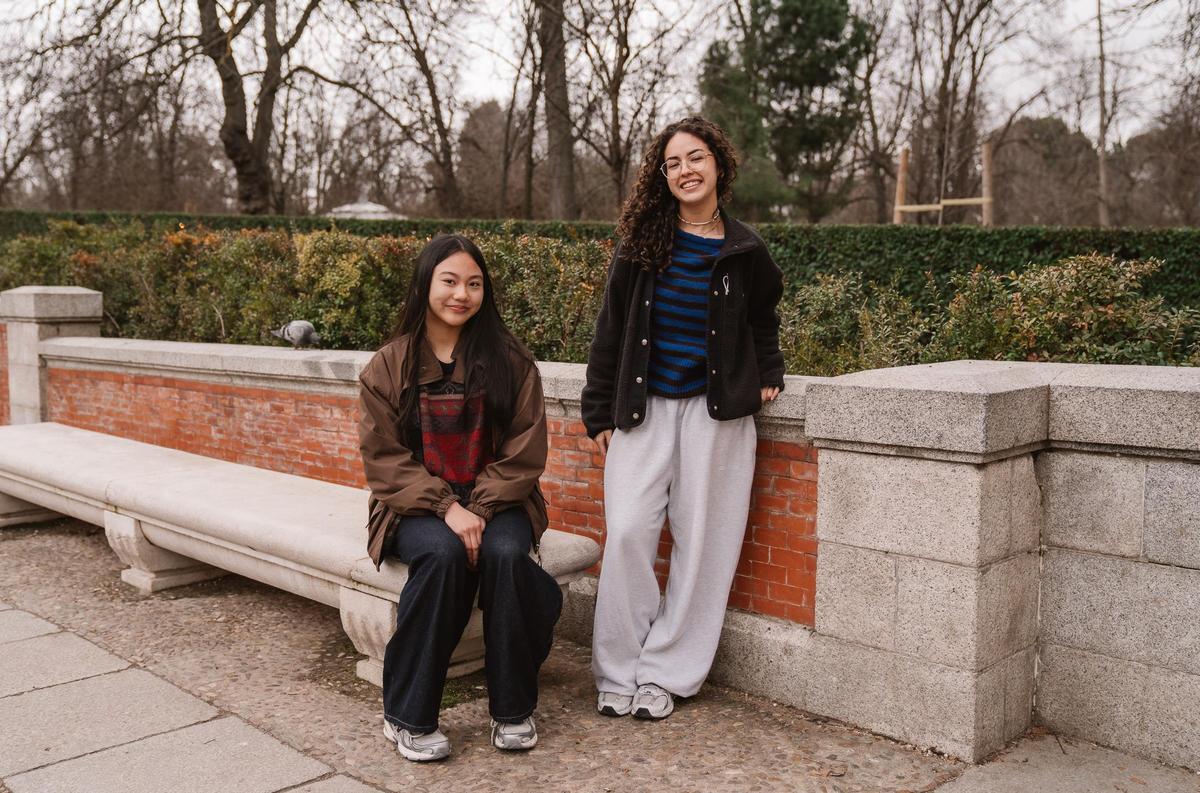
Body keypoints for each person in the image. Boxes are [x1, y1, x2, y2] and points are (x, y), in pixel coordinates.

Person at [581, 116, 784, 721]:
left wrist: (769, 369)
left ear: (718, 164)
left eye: (695, 157)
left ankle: (666, 674)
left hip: (716, 417)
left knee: (703, 546)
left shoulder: (746, 248)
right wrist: (598, 410)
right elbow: (611, 329)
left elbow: (764, 317)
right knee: (627, 534)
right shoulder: (643, 244)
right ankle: (617, 669)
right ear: (662, 176)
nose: (685, 170)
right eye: (673, 163)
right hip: (643, 412)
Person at [358, 234, 562, 762]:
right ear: (425, 285)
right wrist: (447, 507)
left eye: (474, 284)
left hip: (501, 498)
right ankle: (407, 715)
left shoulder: (511, 361)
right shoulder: (389, 365)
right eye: (449, 281)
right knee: (443, 555)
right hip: (414, 504)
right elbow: (384, 459)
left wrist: (480, 508)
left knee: (505, 554)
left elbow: (524, 451)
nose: (461, 294)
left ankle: (513, 709)